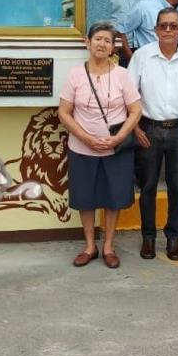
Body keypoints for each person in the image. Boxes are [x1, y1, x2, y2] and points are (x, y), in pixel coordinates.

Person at [58, 21, 141, 268]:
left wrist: (118, 138)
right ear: (87, 42)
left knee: (113, 197)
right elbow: (64, 112)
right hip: (82, 148)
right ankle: (90, 246)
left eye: (108, 40)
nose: (102, 44)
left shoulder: (122, 75)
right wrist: (86, 138)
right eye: (98, 39)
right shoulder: (75, 74)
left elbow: (135, 110)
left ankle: (108, 246)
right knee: (85, 197)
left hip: (115, 149)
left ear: (113, 47)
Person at [128, 8, 178, 260]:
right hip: (148, 130)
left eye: (173, 26)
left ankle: (173, 239)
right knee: (147, 187)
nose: (168, 30)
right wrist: (135, 128)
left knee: (177, 188)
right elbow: (129, 96)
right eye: (163, 26)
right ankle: (148, 238)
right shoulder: (142, 56)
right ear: (155, 29)